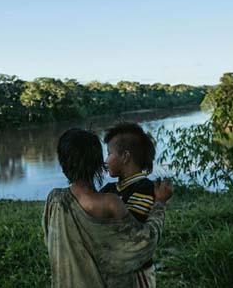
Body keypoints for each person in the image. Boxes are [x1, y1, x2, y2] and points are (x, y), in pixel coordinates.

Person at [43, 128, 173, 288]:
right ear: (97, 163)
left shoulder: (54, 199)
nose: (106, 160)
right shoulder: (110, 200)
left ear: (63, 163)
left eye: (109, 154)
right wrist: (160, 204)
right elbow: (143, 242)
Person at [100, 122, 158, 287]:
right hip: (115, 270)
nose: (105, 161)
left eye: (109, 154)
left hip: (136, 272)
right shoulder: (110, 188)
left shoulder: (144, 188)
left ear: (125, 157)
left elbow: (131, 229)